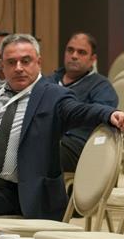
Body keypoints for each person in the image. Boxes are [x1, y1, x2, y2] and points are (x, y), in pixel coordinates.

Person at [0, 34, 124, 220]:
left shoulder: (52, 96)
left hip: (9, 190)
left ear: (38, 62)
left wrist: (110, 114)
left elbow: (79, 110)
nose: (18, 68)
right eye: (11, 62)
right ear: (2, 65)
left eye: (25, 61)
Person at [50, 33, 118, 172]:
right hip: (47, 137)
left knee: (41, 152)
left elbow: (99, 116)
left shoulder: (101, 86)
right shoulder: (49, 81)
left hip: (78, 146)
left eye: (81, 52)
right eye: (70, 50)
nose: (74, 56)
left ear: (92, 59)